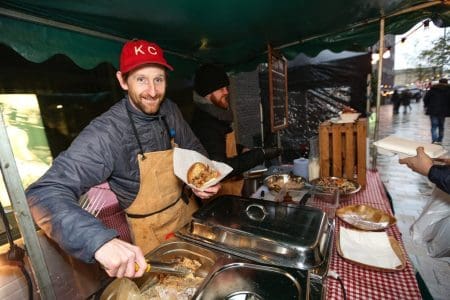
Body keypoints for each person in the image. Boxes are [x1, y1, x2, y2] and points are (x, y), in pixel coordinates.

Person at [26, 39, 221, 278]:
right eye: (141, 79)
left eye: (158, 79)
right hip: (151, 237)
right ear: (122, 80)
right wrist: (98, 241)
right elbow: (43, 193)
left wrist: (202, 179)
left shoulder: (169, 109)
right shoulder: (107, 133)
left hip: (188, 215)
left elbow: (193, 148)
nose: (152, 91)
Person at [190, 64, 281, 196]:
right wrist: (259, 154)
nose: (226, 92)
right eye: (221, 89)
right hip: (218, 195)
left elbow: (218, 146)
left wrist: (240, 149)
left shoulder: (216, 115)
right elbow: (220, 169)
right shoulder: (205, 124)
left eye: (226, 87)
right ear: (207, 93)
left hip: (230, 191)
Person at [423, 78, 450, 144]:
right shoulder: (448, 90)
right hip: (443, 111)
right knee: (441, 126)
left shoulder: (433, 89)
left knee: (434, 126)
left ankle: (434, 140)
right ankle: (440, 140)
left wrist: (426, 105)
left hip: (433, 110)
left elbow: (425, 99)